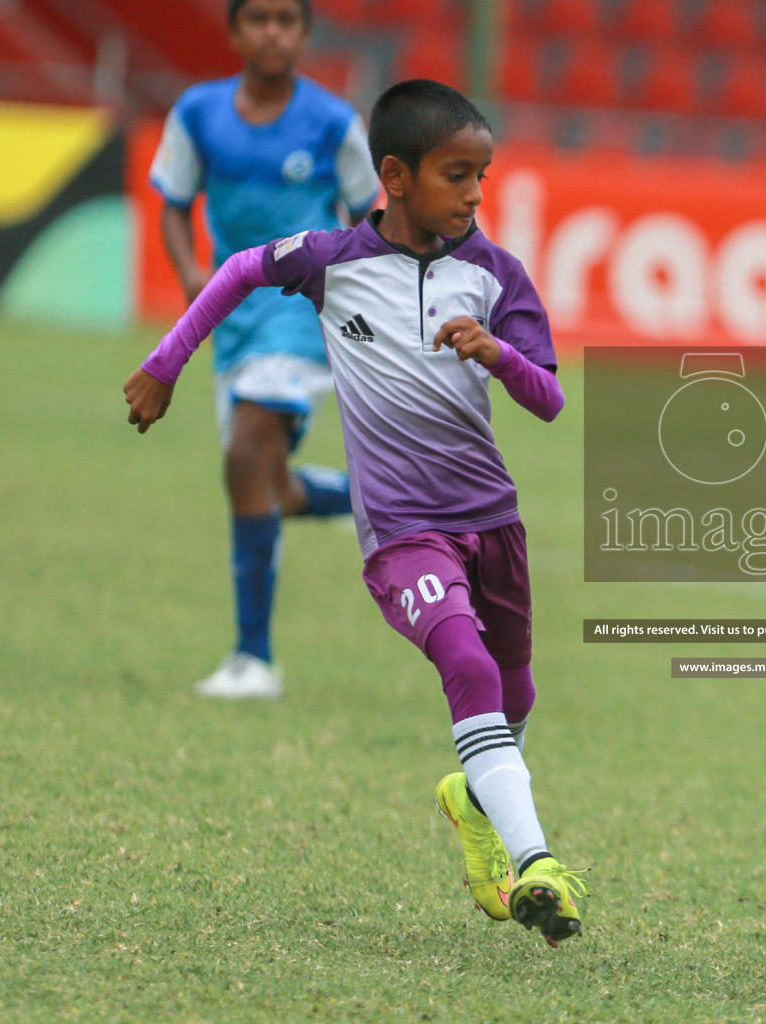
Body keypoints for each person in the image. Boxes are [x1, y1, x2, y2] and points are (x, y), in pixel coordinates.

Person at [124, 80, 587, 946]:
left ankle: (474, 797)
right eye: (459, 175)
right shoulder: (333, 261)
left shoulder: (496, 275)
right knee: (470, 669)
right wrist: (166, 364)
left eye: (484, 176)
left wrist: (495, 355)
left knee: (515, 687)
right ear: (395, 177)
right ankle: (538, 866)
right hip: (404, 534)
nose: (477, 195)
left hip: (494, 520)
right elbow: (237, 271)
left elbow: (552, 399)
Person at [149, 0, 379, 699]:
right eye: (259, 19)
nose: (273, 32)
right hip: (233, 316)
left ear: (306, 34)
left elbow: (374, 217)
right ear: (234, 31)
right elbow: (173, 203)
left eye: (287, 19)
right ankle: (376, 503)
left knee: (247, 452)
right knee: (265, 485)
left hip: (300, 313)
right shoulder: (197, 113)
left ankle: (255, 660)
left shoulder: (336, 123)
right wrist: (191, 270)